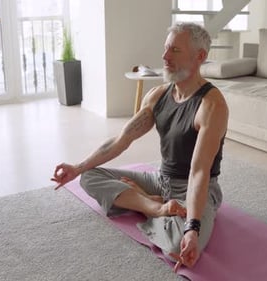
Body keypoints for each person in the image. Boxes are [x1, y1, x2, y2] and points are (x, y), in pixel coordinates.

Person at [51, 22, 228, 272]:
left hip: (196, 188)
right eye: (165, 48)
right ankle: (154, 207)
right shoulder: (157, 96)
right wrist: (77, 167)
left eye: (175, 50)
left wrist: (192, 229)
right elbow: (121, 140)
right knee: (89, 176)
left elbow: (199, 171)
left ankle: (147, 204)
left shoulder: (211, 105)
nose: (164, 57)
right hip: (161, 181)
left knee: (180, 246)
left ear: (200, 56)